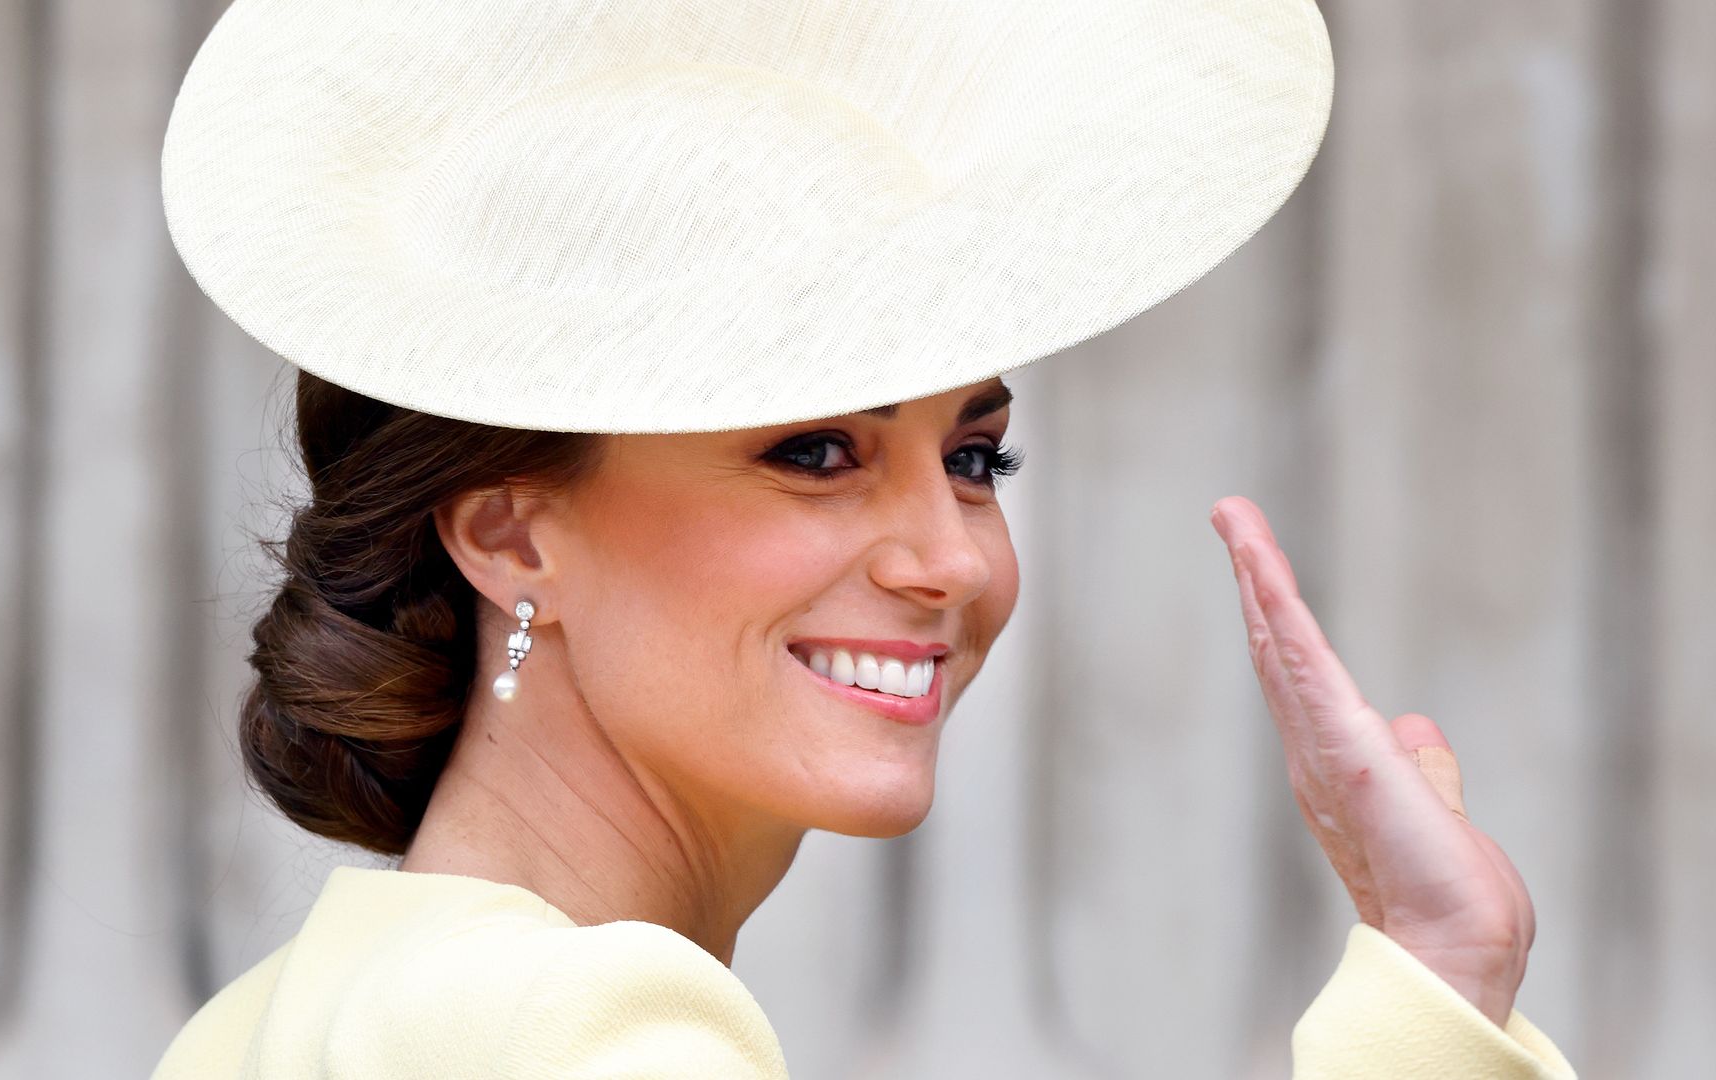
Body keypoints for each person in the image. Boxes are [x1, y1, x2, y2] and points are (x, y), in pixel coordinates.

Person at [151, 0, 1579, 1076]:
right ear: (511, 535)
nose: (950, 561)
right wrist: (1441, 986)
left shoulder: (263, 1026)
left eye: (973, 456)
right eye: (816, 452)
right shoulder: (592, 1038)